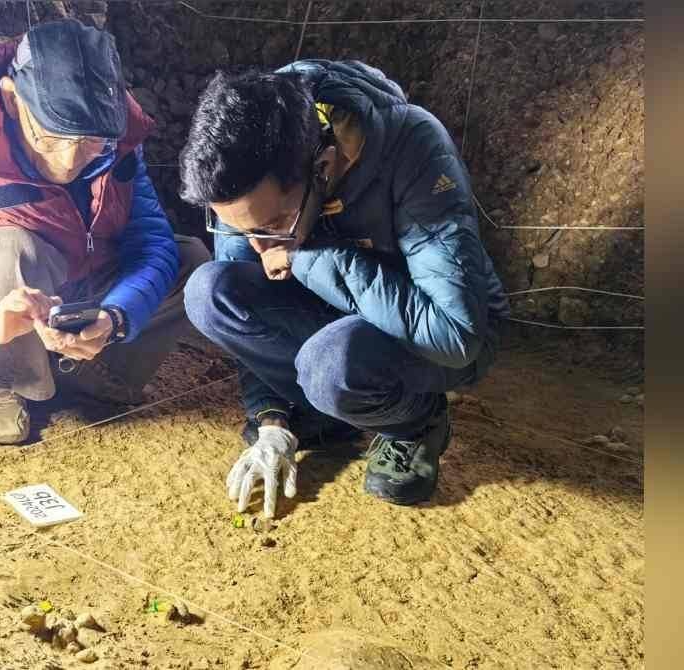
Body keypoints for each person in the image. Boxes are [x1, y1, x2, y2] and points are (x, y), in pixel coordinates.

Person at [180, 61, 510, 517]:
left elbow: (455, 333)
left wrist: (307, 259)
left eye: (273, 224)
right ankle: (315, 413)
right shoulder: (246, 160)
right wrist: (270, 420)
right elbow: (248, 305)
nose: (260, 247)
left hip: (436, 329)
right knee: (209, 291)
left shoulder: (412, 146)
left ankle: (417, 421)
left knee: (330, 364)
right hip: (337, 312)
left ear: (324, 164)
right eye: (242, 228)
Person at [0, 18, 208, 444]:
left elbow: (151, 242)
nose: (69, 162)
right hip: (0, 297)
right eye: (49, 137)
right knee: (11, 247)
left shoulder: (117, 132)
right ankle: (10, 377)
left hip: (85, 288)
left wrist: (115, 316)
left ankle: (92, 370)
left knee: (192, 260)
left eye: (89, 142)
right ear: (11, 100)